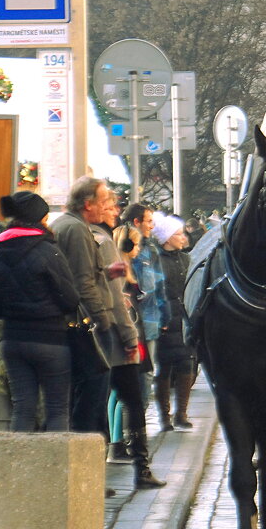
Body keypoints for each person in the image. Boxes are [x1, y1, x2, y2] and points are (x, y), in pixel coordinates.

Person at [0, 191, 79, 432]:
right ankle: (55, 469)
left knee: (23, 406)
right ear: (39, 220)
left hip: (12, 340)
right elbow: (71, 299)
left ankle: (17, 468)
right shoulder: (49, 252)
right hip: (50, 340)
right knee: (57, 408)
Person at [97, 196, 165, 489]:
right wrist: (128, 336)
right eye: (109, 206)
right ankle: (135, 465)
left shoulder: (104, 242)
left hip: (125, 334)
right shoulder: (106, 248)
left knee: (129, 399)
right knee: (130, 398)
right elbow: (117, 301)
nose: (115, 212)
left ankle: (138, 466)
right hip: (122, 336)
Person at [51, 176, 115, 435]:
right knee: (92, 392)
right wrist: (103, 319)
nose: (105, 207)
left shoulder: (66, 224)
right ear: (87, 204)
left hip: (76, 323)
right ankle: (84, 454)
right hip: (86, 325)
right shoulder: (76, 229)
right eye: (102, 202)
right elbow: (83, 280)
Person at [122, 203, 170, 428]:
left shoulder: (151, 249)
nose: (152, 225)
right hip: (131, 321)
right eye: (149, 221)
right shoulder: (123, 246)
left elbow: (159, 285)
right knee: (134, 375)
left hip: (149, 320)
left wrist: (164, 312)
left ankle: (137, 425)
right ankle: (128, 428)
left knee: (146, 373)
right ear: (136, 222)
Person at [154, 214, 196, 429]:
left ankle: (181, 413)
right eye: (178, 234)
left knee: (187, 364)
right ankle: (164, 415)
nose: (183, 238)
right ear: (167, 238)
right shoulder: (157, 259)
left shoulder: (186, 259)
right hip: (166, 319)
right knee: (164, 367)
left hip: (184, 317)